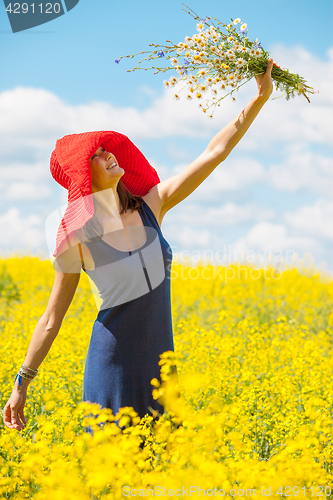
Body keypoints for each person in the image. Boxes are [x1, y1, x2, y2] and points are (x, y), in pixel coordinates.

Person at [2, 59, 279, 432]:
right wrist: (21, 384)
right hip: (111, 366)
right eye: (96, 155)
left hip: (160, 367)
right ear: (85, 176)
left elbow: (214, 153)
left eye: (105, 148)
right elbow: (52, 319)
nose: (107, 153)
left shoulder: (152, 205)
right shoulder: (78, 239)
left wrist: (259, 98)